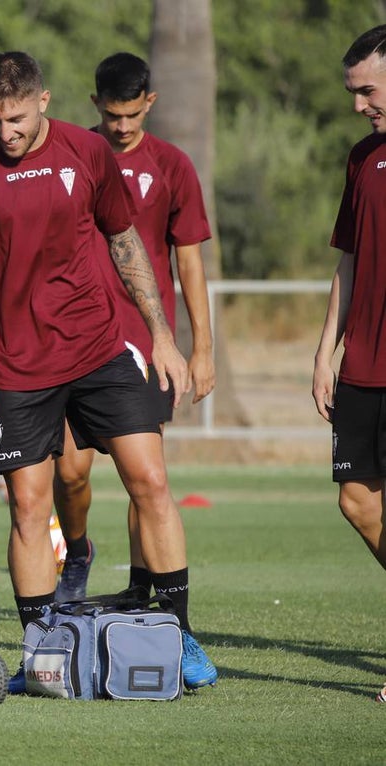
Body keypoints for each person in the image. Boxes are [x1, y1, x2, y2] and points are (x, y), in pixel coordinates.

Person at [0, 51, 217, 694]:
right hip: (11, 365)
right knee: (29, 507)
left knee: (151, 479)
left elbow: (124, 240)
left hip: (98, 349)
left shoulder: (87, 152)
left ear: (45, 101)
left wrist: (165, 338)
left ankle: (177, 632)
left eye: (17, 119)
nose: (5, 132)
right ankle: (41, 648)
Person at [51, 52, 214, 602]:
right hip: (74, 335)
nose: (121, 127)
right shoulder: (71, 154)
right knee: (70, 473)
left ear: (151, 102)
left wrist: (202, 349)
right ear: (95, 103)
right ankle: (77, 548)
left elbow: (189, 261)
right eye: (112, 115)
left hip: (143, 342)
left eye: (132, 115)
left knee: (143, 475)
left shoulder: (173, 165)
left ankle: (141, 589)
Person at [312, 24, 386, 703]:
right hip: (365, 362)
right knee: (357, 500)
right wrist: (325, 348)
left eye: (367, 90)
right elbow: (351, 256)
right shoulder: (362, 158)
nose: (359, 104)